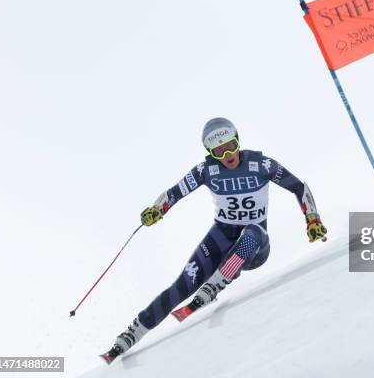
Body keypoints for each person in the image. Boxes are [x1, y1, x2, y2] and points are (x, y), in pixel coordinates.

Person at [101, 117, 327, 363]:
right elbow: (174, 192)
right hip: (222, 236)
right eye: (218, 151)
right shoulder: (206, 170)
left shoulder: (261, 164)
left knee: (251, 232)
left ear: (237, 141)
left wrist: (312, 218)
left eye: (230, 146)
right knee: (183, 284)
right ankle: (131, 333)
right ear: (210, 152)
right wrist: (159, 209)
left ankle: (217, 283)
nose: (227, 154)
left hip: (255, 246)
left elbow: (298, 187)